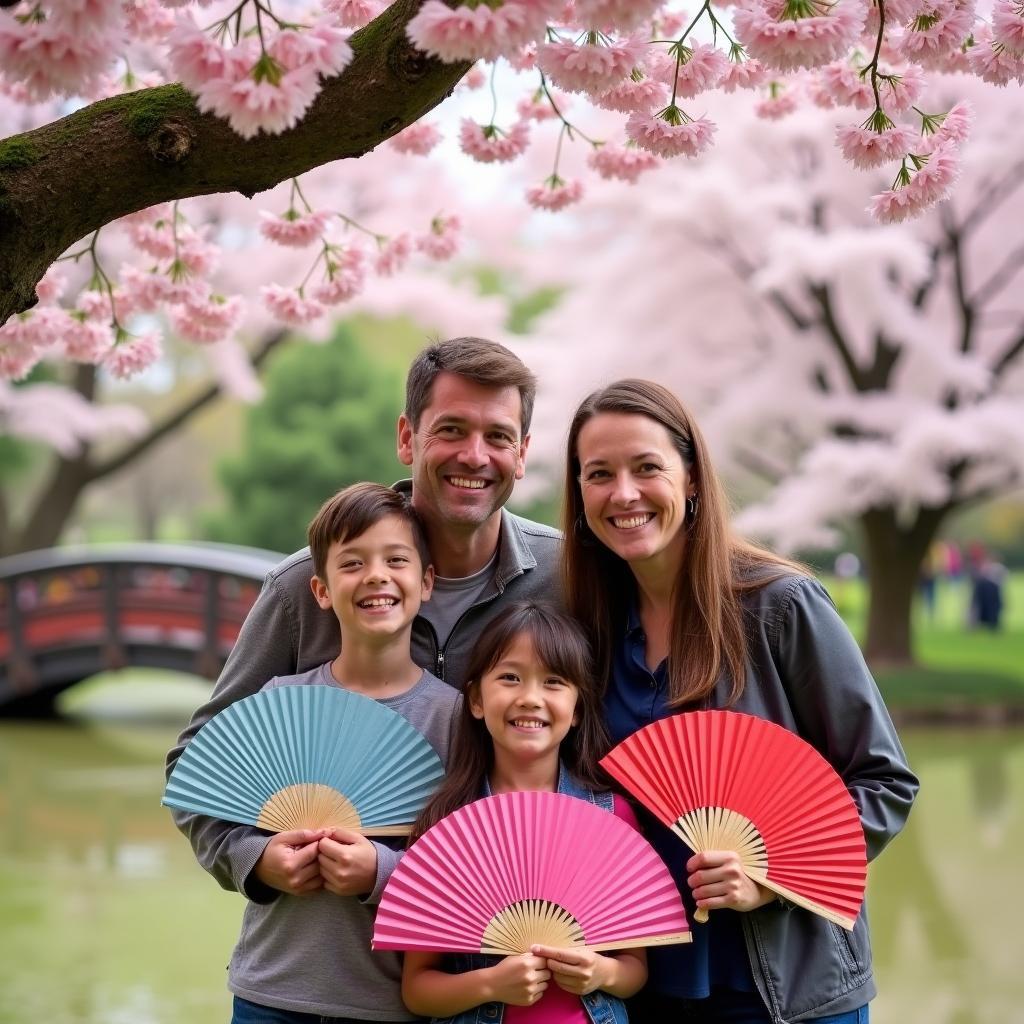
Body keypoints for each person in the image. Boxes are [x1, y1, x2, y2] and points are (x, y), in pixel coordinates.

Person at [166, 338, 560, 959]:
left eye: (498, 436)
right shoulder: (304, 587)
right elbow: (202, 762)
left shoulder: (565, 578)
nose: (474, 455)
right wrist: (254, 858)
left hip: (478, 970)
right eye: (450, 429)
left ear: (524, 452)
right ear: (407, 437)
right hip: (301, 966)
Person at [561, 379, 920, 1024]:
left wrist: (770, 877)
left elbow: (883, 780)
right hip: (646, 986)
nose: (623, 493)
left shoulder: (779, 606)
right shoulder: (589, 629)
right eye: (599, 474)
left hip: (785, 988)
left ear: (692, 477)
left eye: (648, 468)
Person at [211, 483, 462, 1023]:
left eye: (396, 560)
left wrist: (381, 870)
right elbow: (222, 817)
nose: (376, 576)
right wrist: (260, 861)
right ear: (321, 591)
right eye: (352, 563)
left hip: (388, 1002)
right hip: (270, 991)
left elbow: (469, 866)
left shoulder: (457, 720)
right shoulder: (278, 702)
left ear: (426, 583)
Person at [402, 602, 648, 1024]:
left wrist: (600, 970)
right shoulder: (448, 826)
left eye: (553, 682)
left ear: (578, 711)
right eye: (510, 678)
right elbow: (417, 989)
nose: (530, 698)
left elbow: (634, 970)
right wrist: (491, 984)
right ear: (477, 699)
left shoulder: (611, 816)